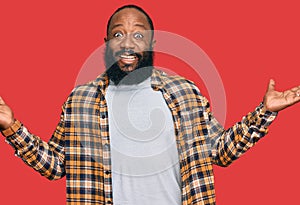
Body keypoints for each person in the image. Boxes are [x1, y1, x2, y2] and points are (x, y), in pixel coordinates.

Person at [0, 4, 299, 205]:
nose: (127, 43)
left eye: (138, 34)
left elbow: (219, 152)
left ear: (153, 43)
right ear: (106, 42)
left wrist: (264, 114)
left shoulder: (185, 92)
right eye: (118, 34)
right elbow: (56, 166)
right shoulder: (80, 100)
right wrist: (11, 127)